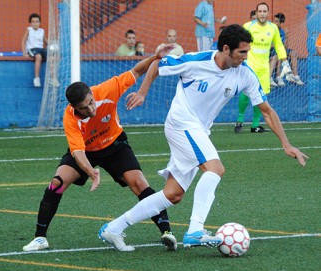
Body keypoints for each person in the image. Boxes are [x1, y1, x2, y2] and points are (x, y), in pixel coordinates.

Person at [98, 24, 308, 252]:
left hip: (198, 130)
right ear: (226, 49)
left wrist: (286, 144)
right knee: (215, 169)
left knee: (173, 194)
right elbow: (158, 65)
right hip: (181, 123)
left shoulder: (245, 74)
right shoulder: (195, 61)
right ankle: (195, 230)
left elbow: (266, 110)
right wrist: (142, 92)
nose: (246, 57)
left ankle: (114, 228)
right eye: (242, 52)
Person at [23, 43, 177, 252]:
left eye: (91, 102)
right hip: (86, 151)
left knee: (139, 183)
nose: (91, 109)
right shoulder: (70, 118)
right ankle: (40, 238)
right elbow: (77, 152)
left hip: (114, 144)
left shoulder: (107, 90)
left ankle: (167, 232)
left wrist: (154, 56)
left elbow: (137, 71)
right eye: (84, 108)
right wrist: (91, 172)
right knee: (56, 183)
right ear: (74, 108)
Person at [234, 2, 292, 133]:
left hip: (264, 69)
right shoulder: (248, 26)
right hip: (249, 67)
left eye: (264, 11)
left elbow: (279, 46)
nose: (262, 14)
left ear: (268, 13)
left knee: (260, 97)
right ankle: (240, 120)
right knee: (245, 94)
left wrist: (285, 62)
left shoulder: (273, 28)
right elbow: (240, 45)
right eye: (260, 11)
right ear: (256, 13)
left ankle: (255, 125)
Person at [22, 13, 59, 88]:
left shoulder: (42, 31)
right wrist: (24, 52)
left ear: (39, 22)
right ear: (30, 23)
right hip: (32, 49)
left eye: (37, 21)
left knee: (51, 57)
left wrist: (54, 42)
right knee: (38, 57)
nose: (35, 23)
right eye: (33, 21)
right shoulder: (29, 30)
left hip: (41, 49)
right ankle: (36, 78)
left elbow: (46, 41)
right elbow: (23, 41)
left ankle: (53, 78)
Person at [269, 13, 304, 86]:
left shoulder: (282, 32)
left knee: (293, 53)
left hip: (280, 49)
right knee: (278, 54)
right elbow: (269, 45)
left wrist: (287, 36)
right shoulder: (270, 31)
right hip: (272, 51)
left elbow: (286, 46)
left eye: (276, 21)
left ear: (281, 23)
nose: (274, 23)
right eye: (274, 21)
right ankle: (278, 77)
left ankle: (296, 76)